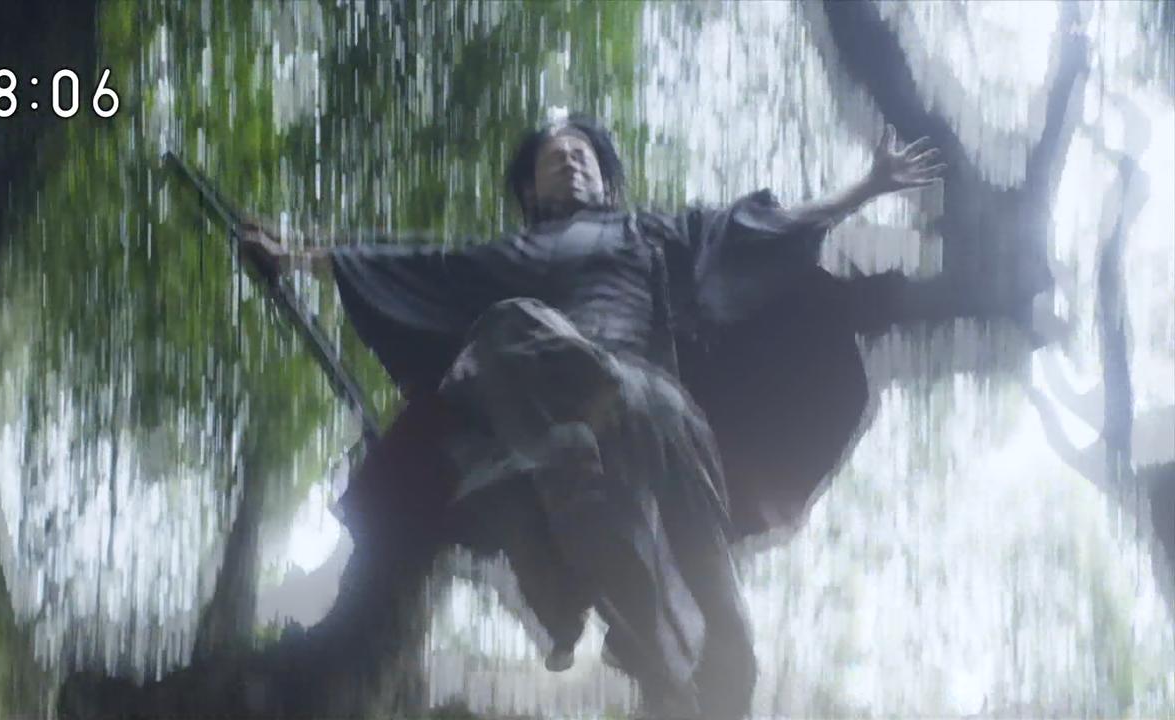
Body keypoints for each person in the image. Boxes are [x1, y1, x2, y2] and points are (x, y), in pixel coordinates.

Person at [239, 116, 943, 719]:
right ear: (530, 192)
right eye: (554, 160)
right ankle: (584, 575)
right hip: (565, 430)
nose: (570, 163)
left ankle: (671, 640)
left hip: (660, 409)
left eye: (582, 155)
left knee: (725, 633)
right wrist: (291, 258)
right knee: (505, 334)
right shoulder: (512, 258)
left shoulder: (654, 231)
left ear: (605, 179)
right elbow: (417, 267)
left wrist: (865, 187)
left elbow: (760, 229)